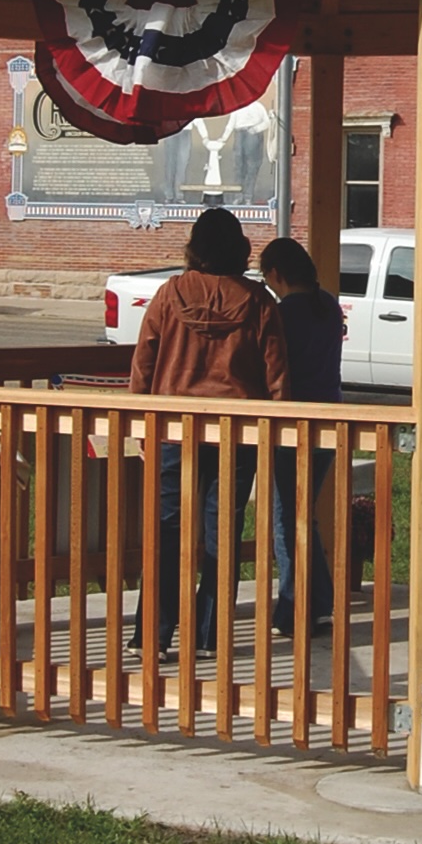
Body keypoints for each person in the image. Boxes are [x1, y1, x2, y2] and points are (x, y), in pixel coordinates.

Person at [129, 206, 288, 656]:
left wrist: (142, 423)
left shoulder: (169, 293)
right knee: (223, 533)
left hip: (172, 429)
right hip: (236, 433)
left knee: (165, 532)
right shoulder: (259, 302)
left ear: (194, 248)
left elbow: (143, 363)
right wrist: (274, 432)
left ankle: (152, 636)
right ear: (240, 249)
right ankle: (209, 634)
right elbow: (277, 376)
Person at [259, 237, 344, 634]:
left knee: (285, 518)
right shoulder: (326, 304)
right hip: (329, 418)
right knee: (301, 513)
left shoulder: (282, 313)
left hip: (291, 423)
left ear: (276, 275)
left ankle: (295, 607)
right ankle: (320, 600)